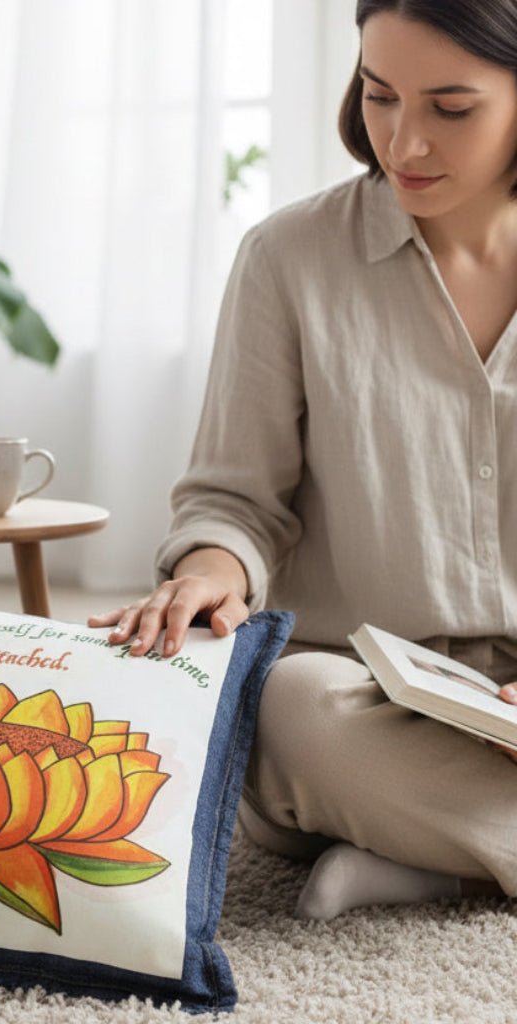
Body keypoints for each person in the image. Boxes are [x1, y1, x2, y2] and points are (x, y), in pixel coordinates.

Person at [90, 0, 517, 921]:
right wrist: (208, 572)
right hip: (359, 688)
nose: (404, 142)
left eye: (452, 108)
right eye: (379, 95)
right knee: (282, 708)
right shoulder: (290, 257)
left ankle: (439, 861)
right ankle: (455, 846)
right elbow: (233, 499)